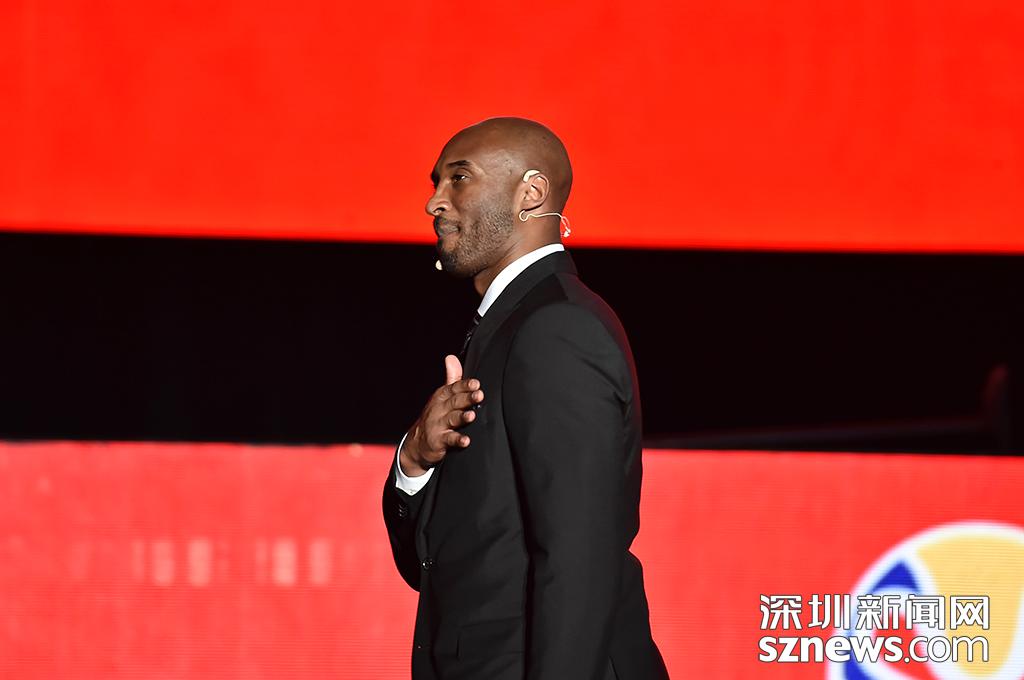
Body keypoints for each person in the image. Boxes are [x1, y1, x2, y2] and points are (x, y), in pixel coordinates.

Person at [382, 117, 669, 680]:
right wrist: (414, 461)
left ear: (530, 194)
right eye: (436, 182)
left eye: (459, 178)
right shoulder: (507, 329)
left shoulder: (556, 327)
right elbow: (433, 567)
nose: (434, 202)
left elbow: (578, 557)